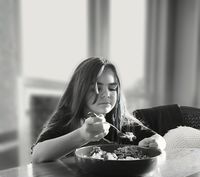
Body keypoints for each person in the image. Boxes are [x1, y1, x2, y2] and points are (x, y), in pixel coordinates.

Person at [32, 57, 166, 163]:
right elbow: (37, 156)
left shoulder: (120, 120)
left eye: (112, 88)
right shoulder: (67, 116)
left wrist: (156, 143)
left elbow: (158, 138)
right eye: (96, 88)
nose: (106, 94)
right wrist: (82, 135)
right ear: (80, 89)